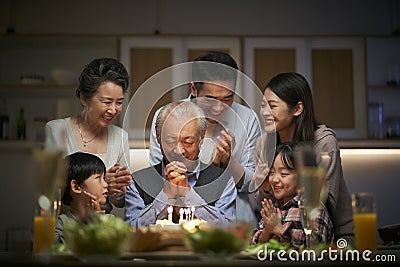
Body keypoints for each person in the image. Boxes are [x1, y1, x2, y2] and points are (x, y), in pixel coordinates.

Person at [148, 51, 261, 223]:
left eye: (227, 99)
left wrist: (228, 164)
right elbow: (158, 177)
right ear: (193, 88)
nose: (218, 108)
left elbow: (253, 185)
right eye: (210, 99)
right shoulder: (166, 116)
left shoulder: (247, 118)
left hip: (234, 220)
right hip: (178, 216)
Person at [257, 72, 353, 245]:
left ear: (297, 108)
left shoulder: (323, 142)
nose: (264, 112)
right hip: (281, 239)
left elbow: (324, 203)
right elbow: (265, 206)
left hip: (334, 239)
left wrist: (281, 227)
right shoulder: (264, 144)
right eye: (263, 106)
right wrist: (264, 188)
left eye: (272, 106)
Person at [125, 101, 237, 228]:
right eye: (170, 141)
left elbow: (229, 231)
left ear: (201, 137)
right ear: (158, 136)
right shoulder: (137, 181)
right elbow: (129, 231)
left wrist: (188, 195)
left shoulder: (223, 180)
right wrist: (165, 195)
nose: (179, 150)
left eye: (188, 142)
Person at [44, 57, 132, 213]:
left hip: (101, 226)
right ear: (84, 98)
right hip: (66, 227)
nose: (113, 110)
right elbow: (49, 191)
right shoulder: (57, 130)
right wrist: (101, 182)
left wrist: (115, 189)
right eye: (106, 102)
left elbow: (121, 202)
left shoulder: (120, 137)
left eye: (119, 102)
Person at [251, 142, 334, 248]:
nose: (275, 179)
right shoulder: (275, 208)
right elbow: (255, 245)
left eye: (284, 174)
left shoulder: (311, 206)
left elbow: (315, 244)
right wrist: (267, 230)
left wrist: (279, 229)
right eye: (271, 173)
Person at [54, 152, 109, 244]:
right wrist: (87, 224)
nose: (106, 184)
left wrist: (99, 222)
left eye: (104, 178)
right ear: (76, 187)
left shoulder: (110, 221)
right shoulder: (61, 224)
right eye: (98, 178)